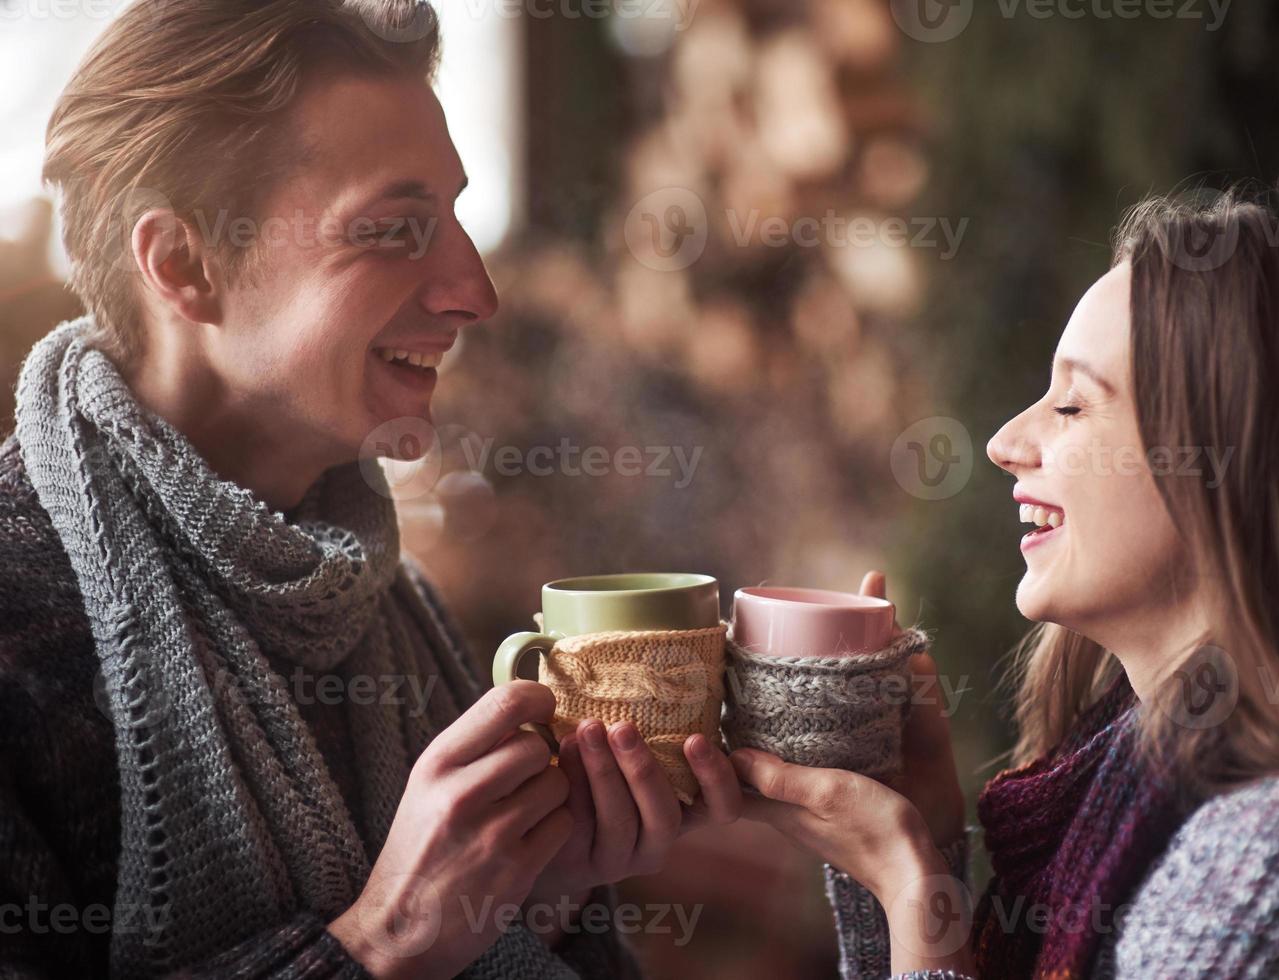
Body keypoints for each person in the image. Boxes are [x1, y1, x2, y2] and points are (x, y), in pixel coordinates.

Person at [0, 1, 741, 977]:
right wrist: (383, 939)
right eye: (395, 229)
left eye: (455, 218)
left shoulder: (389, 602)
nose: (473, 289)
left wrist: (535, 901)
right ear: (183, 263)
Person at [733, 191, 1279, 979]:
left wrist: (914, 890)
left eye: (1073, 404)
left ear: (1233, 470)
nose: (1006, 442)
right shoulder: (1115, 792)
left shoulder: (1275, 865)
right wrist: (913, 865)